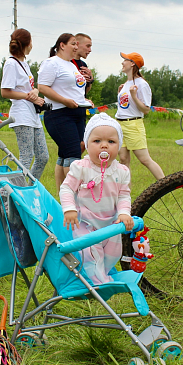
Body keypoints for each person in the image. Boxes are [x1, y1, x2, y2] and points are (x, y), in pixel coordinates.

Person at [60, 113, 134, 284]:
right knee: (91, 253)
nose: (104, 146)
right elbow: (66, 188)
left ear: (119, 145)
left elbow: (124, 194)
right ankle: (98, 283)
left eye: (111, 142)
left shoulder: (122, 171)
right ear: (86, 144)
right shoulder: (81, 168)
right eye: (97, 141)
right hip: (86, 224)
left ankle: (102, 272)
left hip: (112, 224)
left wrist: (124, 213)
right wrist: (69, 209)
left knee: (114, 253)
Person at [38, 33, 92, 193]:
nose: (76, 47)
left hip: (77, 114)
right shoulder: (51, 63)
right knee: (73, 153)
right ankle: (75, 195)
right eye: (73, 44)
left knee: (66, 154)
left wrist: (85, 100)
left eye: (77, 44)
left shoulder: (72, 65)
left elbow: (76, 90)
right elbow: (42, 87)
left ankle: (63, 196)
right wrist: (64, 100)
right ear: (62, 45)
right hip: (60, 114)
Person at [1, 28, 49, 180]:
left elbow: (27, 88)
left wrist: (34, 92)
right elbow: (5, 92)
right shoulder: (11, 64)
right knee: (26, 157)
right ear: (27, 44)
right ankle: (16, 192)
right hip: (21, 115)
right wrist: (30, 97)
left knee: (43, 157)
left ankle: (29, 188)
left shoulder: (24, 64)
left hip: (32, 115)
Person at [116, 52, 164, 180]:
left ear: (132, 63)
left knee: (144, 159)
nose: (122, 63)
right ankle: (126, 196)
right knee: (123, 159)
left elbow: (146, 109)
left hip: (133, 125)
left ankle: (166, 184)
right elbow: (125, 106)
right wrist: (120, 93)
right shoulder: (126, 83)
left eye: (125, 60)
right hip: (120, 124)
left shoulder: (142, 84)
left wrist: (133, 96)